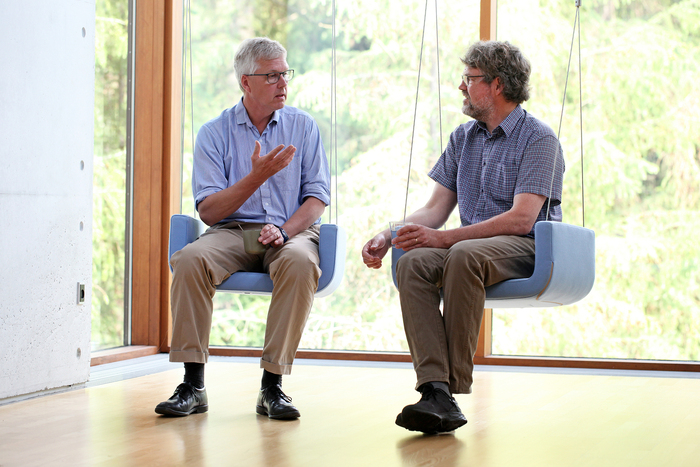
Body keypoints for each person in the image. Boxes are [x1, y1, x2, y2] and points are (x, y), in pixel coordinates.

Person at [362, 41, 564, 434]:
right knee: (414, 261)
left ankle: (448, 389)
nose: (461, 87)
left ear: (497, 86)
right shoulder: (462, 138)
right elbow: (435, 209)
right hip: (468, 247)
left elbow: (523, 220)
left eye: (469, 79)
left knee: (461, 254)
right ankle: (435, 389)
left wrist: (445, 239)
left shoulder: (540, 140)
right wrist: (389, 235)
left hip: (526, 248)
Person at [156, 37, 330, 420]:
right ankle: (193, 384)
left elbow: (316, 198)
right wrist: (257, 177)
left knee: (301, 263)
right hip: (231, 231)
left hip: (291, 232)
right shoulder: (214, 132)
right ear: (246, 82)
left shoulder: (304, 126)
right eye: (272, 75)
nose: (283, 82)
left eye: (286, 73)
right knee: (189, 259)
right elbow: (208, 210)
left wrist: (284, 231)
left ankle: (273, 387)